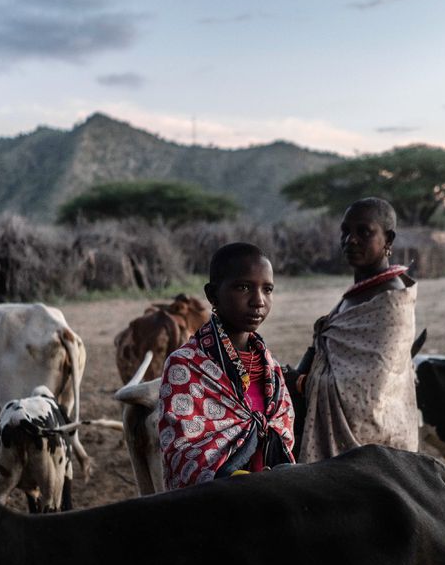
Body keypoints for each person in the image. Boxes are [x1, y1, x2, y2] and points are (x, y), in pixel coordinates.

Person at [158, 242, 294, 490]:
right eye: (243, 287)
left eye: (267, 289)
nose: (258, 301)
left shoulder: (271, 370)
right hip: (220, 505)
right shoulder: (186, 366)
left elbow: (283, 436)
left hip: (274, 499)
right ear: (212, 294)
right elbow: (182, 453)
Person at [297, 197, 420, 462]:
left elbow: (368, 393)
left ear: (388, 239)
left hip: (370, 445)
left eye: (364, 232)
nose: (350, 240)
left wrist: (301, 382)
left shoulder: (391, 300)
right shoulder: (359, 292)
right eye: (345, 231)